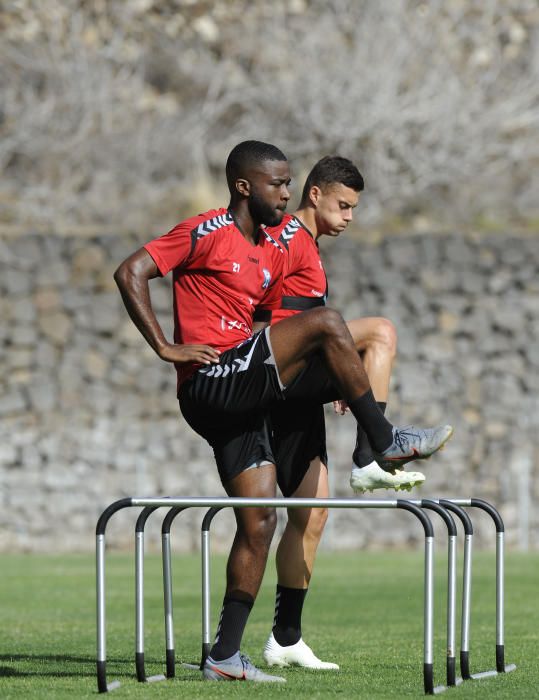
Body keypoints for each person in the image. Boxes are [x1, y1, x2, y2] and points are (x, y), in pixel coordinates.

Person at [114, 140, 453, 683]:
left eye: (290, 183)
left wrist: (341, 374)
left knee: (261, 521)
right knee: (328, 323)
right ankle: (381, 442)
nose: (286, 193)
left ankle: (224, 657)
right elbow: (130, 271)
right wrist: (164, 346)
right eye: (279, 184)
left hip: (243, 398)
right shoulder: (205, 232)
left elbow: (274, 319)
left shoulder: (267, 249)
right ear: (245, 186)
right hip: (211, 379)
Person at [261, 155, 431, 670]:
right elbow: (266, 313)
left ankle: (285, 640)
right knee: (380, 331)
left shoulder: (309, 248)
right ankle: (370, 455)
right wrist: (325, 363)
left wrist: (338, 373)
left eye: (355, 207)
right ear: (315, 195)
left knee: (312, 516)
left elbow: (308, 322)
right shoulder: (286, 237)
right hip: (271, 378)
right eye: (343, 205)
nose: (350, 216)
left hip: (297, 388)